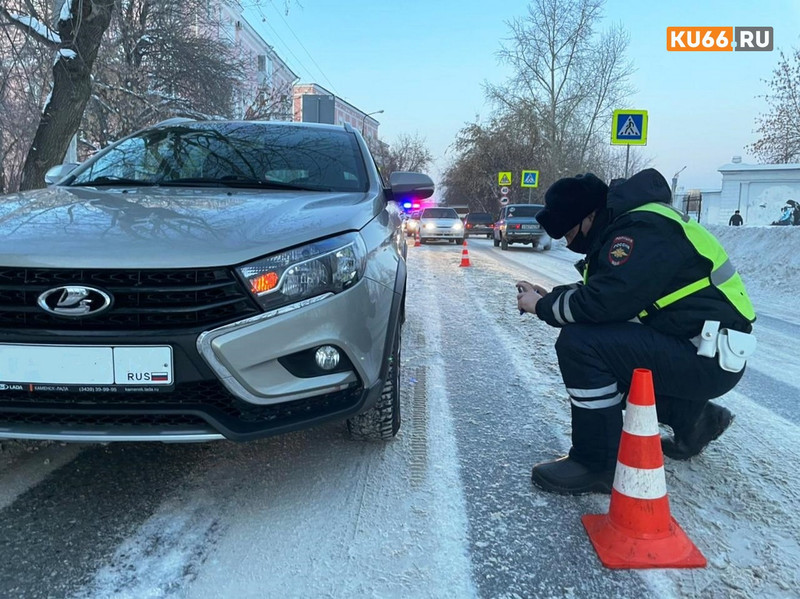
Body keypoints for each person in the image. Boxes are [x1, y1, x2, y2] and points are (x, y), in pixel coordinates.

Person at [516, 169, 756, 495]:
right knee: (605, 347)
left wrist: (541, 308)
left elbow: (604, 302)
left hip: (705, 355)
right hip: (702, 349)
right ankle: (696, 419)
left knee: (581, 343)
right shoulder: (636, 223)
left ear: (589, 217)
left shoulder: (641, 229)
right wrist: (553, 297)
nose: (568, 242)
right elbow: (610, 292)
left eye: (569, 233)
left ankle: (597, 464)